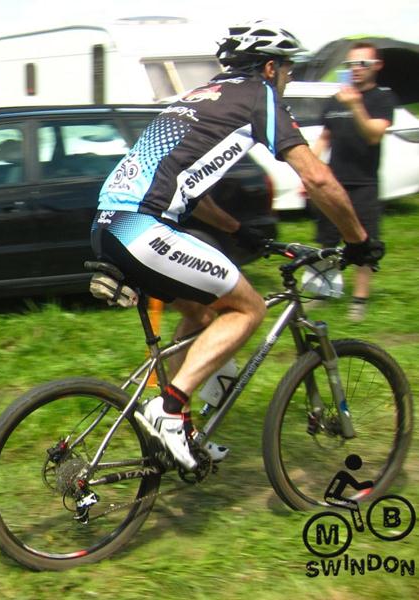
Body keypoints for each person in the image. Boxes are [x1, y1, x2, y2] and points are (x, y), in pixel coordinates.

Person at [91, 21, 384, 471]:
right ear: (269, 68)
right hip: (144, 227)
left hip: (108, 224)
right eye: (286, 68)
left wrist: (240, 231)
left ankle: (179, 424)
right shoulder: (258, 96)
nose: (287, 76)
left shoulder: (200, 96)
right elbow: (317, 177)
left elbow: (192, 190)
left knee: (200, 314)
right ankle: (170, 410)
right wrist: (358, 240)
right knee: (248, 308)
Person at [312, 42, 395, 321]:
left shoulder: (382, 98)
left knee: (364, 241)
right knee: (326, 240)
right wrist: (310, 171)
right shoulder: (335, 99)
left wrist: (356, 104)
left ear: (377, 66)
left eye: (363, 64)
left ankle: (359, 299)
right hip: (333, 182)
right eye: (351, 64)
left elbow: (373, 135)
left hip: (364, 183)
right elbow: (325, 137)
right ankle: (323, 292)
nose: (356, 69)